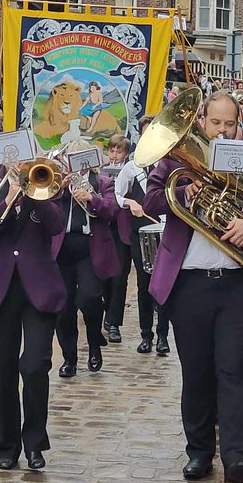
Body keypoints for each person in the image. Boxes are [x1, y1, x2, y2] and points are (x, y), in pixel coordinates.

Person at [144, 91, 243, 483]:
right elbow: (149, 200)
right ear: (201, 121)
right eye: (215, 123)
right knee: (196, 374)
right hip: (189, 284)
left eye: (229, 123)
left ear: (237, 124)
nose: (222, 130)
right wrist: (182, 194)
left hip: (238, 286)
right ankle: (199, 453)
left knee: (235, 372)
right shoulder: (174, 160)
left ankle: (236, 459)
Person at [0, 152, 68, 471]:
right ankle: (6, 446)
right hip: (1, 289)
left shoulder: (49, 185)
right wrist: (9, 197)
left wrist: (34, 193)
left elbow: (56, 225)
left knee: (34, 365)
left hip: (38, 289)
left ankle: (34, 442)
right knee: (3, 370)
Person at [53, 145, 120, 377]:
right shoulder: (58, 181)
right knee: (63, 308)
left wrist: (92, 197)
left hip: (90, 250)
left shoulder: (103, 182)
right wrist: (58, 190)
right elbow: (44, 210)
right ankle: (69, 358)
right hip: (61, 252)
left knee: (90, 297)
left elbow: (112, 210)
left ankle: (94, 342)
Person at [115, 117, 171, 356]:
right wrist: (130, 202)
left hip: (167, 231)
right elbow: (116, 193)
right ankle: (146, 334)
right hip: (141, 232)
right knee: (144, 285)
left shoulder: (169, 164)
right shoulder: (132, 166)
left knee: (165, 285)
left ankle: (162, 336)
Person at [102, 135, 131, 344]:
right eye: (112, 150)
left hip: (122, 228)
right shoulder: (101, 170)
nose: (114, 155)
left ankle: (114, 322)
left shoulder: (131, 170)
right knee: (102, 275)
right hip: (103, 228)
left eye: (118, 151)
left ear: (125, 154)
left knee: (119, 277)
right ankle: (104, 309)